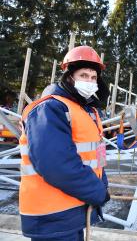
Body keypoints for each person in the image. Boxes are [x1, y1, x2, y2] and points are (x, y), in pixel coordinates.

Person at [19, 46, 110, 241]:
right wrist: (97, 191)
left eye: (93, 78)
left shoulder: (88, 112)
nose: (90, 82)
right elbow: (56, 165)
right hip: (52, 218)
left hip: (72, 214)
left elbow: (97, 155)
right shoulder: (50, 108)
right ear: (69, 77)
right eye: (83, 75)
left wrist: (103, 185)